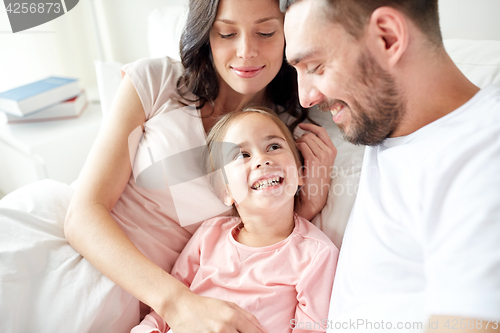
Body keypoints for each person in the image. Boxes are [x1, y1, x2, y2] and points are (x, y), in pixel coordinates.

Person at [0, 0, 337, 332]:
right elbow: (83, 215)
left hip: (129, 298)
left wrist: (305, 209)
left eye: (265, 32)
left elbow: (261, 241)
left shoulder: (280, 137)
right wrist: (179, 303)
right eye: (226, 33)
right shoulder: (157, 80)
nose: (246, 51)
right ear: (206, 34)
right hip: (59, 241)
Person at [282, 0, 500, 332]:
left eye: (316, 66)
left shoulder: (483, 151)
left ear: (387, 38)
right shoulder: (384, 121)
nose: (305, 97)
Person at [131, 108, 339, 333]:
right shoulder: (209, 234)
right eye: (242, 155)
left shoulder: (316, 254)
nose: (262, 159)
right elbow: (168, 306)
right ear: (225, 191)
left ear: (300, 173)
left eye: (274, 147)